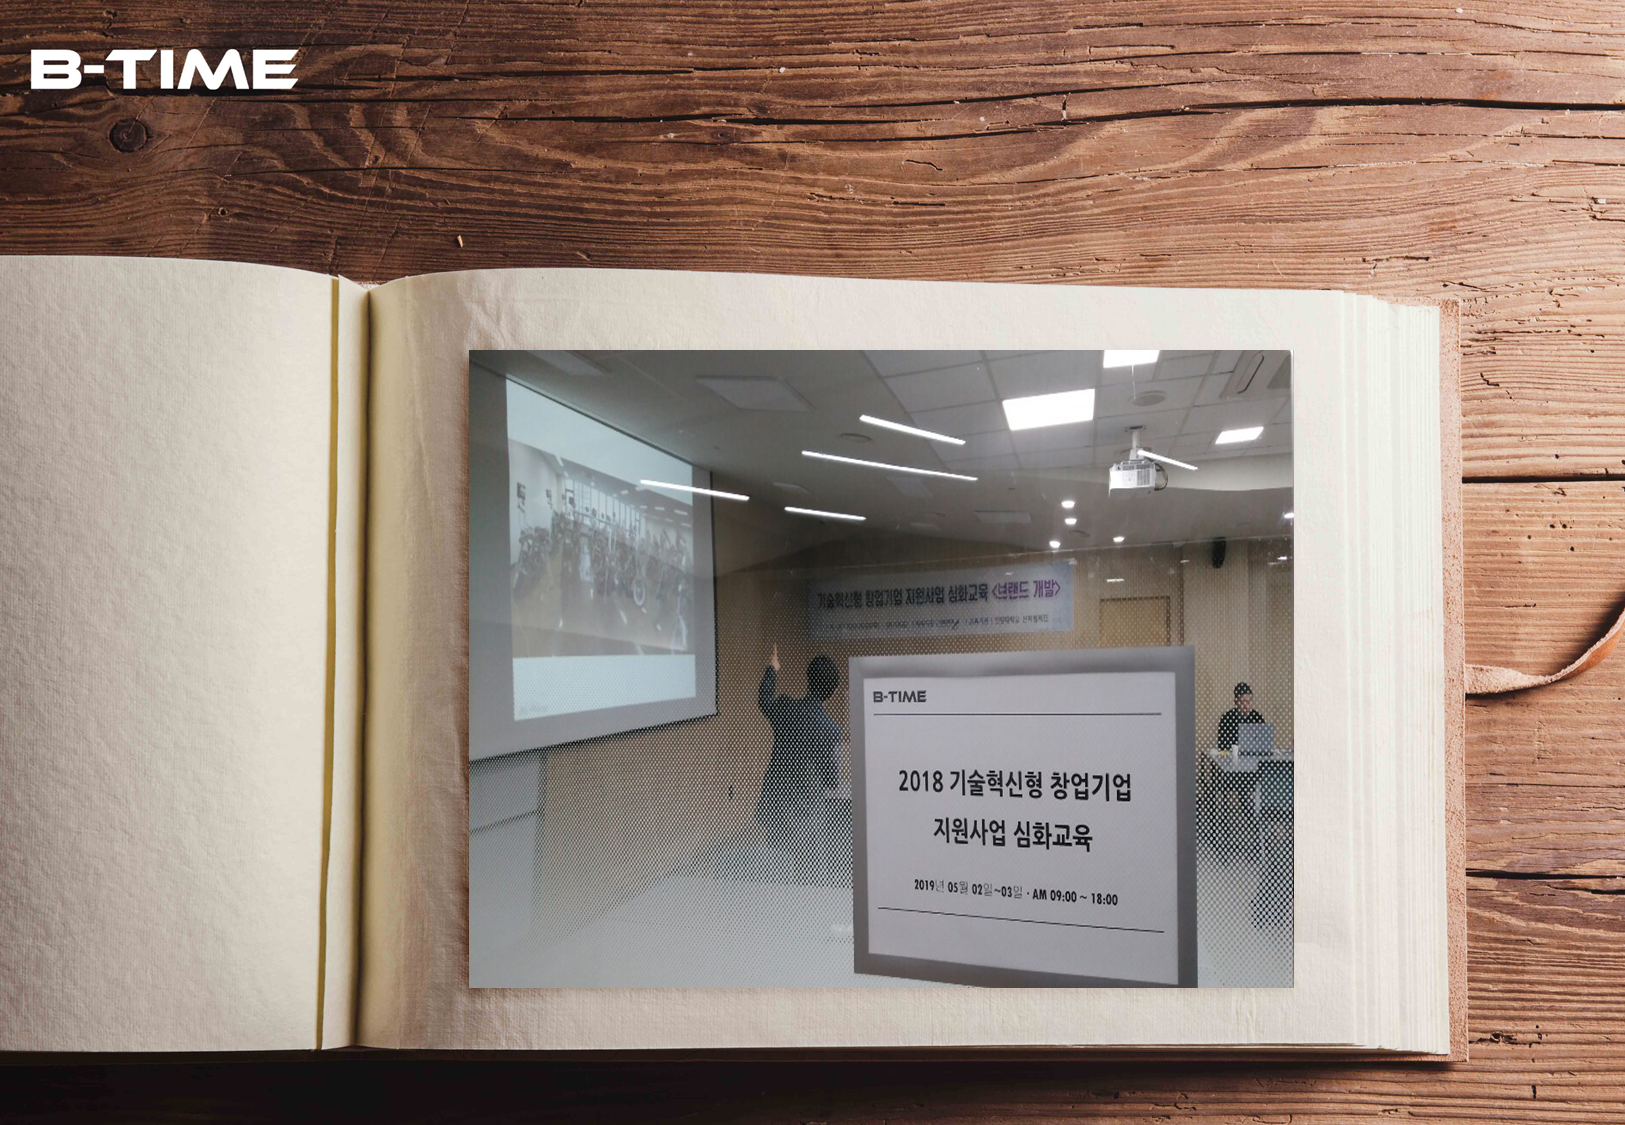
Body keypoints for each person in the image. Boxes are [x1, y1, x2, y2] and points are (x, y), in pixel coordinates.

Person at [755, 644, 842, 843]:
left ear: (808, 679)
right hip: (808, 820)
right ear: (834, 692)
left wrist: (773, 668)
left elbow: (764, 700)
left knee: (778, 861)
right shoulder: (832, 732)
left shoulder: (786, 708)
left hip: (777, 814)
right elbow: (832, 781)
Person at [1216, 681, 1266, 749]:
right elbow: (1222, 745)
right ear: (1236, 702)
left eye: (1249, 701)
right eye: (1243, 702)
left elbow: (1264, 744)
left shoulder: (1257, 718)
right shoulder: (1227, 718)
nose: (1246, 706)